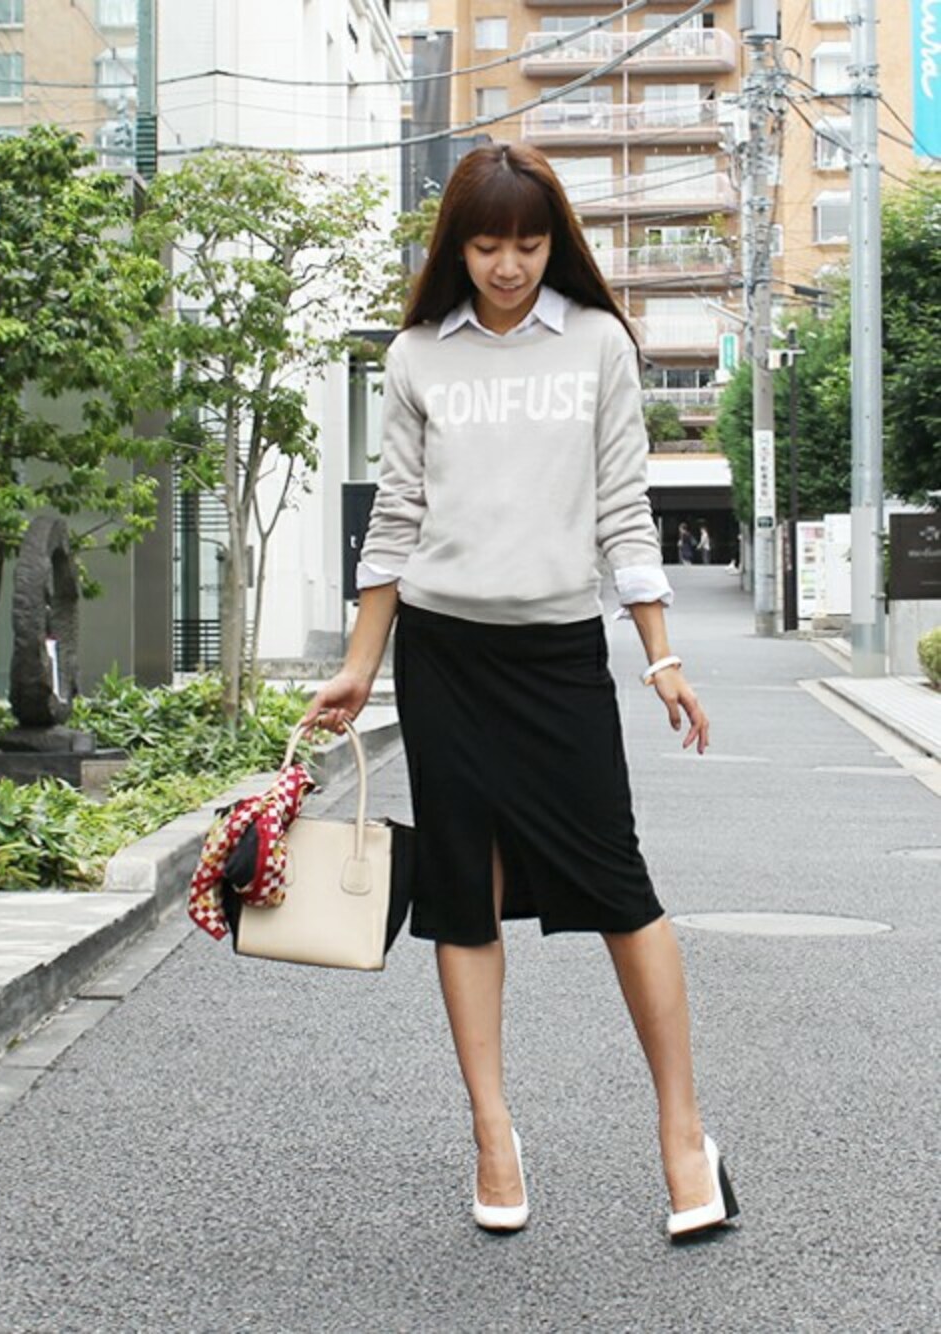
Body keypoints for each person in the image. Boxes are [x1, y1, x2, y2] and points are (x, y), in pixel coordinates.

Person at [302, 143, 738, 1242]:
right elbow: (395, 519)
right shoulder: (417, 356)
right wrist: (360, 662)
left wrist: (660, 658)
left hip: (556, 656)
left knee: (619, 882)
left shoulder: (596, 344)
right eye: (488, 245)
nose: (508, 266)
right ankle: (492, 1132)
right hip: (443, 657)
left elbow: (624, 511)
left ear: (556, 244)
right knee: (464, 891)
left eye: (530, 245)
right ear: (457, 246)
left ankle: (684, 1132)